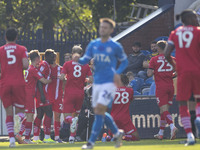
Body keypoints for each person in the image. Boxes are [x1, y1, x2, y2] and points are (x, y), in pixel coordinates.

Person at [73, 18, 128, 149]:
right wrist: (79, 59)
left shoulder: (115, 46)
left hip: (108, 83)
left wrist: (117, 72)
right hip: (97, 83)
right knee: (99, 113)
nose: (102, 29)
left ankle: (91, 143)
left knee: (99, 111)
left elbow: (125, 62)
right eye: (101, 27)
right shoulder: (94, 44)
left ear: (111, 30)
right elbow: (86, 59)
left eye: (105, 27)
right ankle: (116, 132)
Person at [164, 10, 200, 146]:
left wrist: (175, 66)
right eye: (195, 17)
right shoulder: (198, 31)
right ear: (189, 19)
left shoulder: (175, 33)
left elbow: (167, 53)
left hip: (183, 72)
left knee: (182, 105)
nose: (197, 19)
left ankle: (190, 135)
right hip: (197, 70)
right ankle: (198, 118)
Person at [0, 28, 29, 147]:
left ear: (5, 37)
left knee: (8, 112)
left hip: (5, 83)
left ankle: (11, 139)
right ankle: (18, 121)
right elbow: (26, 65)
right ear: (16, 37)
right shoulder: (22, 49)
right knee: (20, 111)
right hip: (18, 82)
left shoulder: (0, 50)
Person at [16, 50, 52, 144]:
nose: (39, 62)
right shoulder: (33, 69)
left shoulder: (27, 69)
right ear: (36, 59)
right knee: (30, 116)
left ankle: (20, 135)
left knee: (29, 116)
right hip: (29, 95)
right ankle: (26, 138)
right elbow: (43, 81)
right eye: (39, 60)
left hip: (26, 94)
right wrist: (51, 80)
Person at [59, 45, 93, 143]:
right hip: (80, 93)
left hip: (69, 93)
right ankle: (71, 138)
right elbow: (91, 80)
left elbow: (62, 77)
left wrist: (66, 78)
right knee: (76, 117)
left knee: (67, 118)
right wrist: (84, 79)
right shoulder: (86, 65)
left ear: (72, 53)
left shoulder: (67, 64)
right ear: (82, 54)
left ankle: (71, 125)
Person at [147, 40, 177, 140]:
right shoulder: (172, 59)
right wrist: (169, 75)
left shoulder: (154, 59)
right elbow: (177, 72)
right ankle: (161, 133)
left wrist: (153, 70)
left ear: (159, 48)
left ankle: (172, 126)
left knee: (164, 110)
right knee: (163, 111)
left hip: (161, 87)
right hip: (170, 86)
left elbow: (149, 74)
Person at [33, 49, 56, 143]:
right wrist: (42, 95)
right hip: (42, 93)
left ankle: (35, 138)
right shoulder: (44, 65)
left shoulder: (47, 65)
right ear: (46, 56)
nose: (54, 58)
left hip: (42, 93)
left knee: (40, 114)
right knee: (49, 112)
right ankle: (46, 137)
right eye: (52, 56)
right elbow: (39, 79)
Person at [111, 74, 140, 141]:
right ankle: (123, 137)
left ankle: (109, 138)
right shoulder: (130, 90)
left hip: (113, 117)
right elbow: (131, 100)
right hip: (124, 117)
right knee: (136, 137)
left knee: (111, 135)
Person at [48, 53, 64, 143]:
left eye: (52, 56)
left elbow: (65, 81)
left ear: (55, 57)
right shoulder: (47, 68)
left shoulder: (61, 69)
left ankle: (57, 137)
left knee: (57, 116)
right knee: (47, 116)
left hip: (58, 97)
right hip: (48, 96)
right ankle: (45, 137)